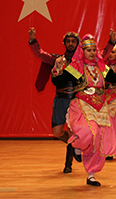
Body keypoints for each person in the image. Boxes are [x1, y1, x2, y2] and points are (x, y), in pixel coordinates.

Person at [53, 34, 116, 186]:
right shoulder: (77, 67)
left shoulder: (102, 67)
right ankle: (77, 147)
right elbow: (59, 81)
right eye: (88, 50)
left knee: (99, 138)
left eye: (94, 50)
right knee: (88, 132)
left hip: (100, 106)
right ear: (82, 51)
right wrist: (57, 67)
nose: (91, 53)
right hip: (82, 104)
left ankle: (91, 175)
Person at [28, 27, 81, 173]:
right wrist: (33, 39)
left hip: (75, 100)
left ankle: (68, 164)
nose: (71, 44)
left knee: (72, 132)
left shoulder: (81, 61)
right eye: (68, 41)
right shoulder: (57, 59)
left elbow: (100, 57)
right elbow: (40, 54)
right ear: (64, 43)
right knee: (57, 132)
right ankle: (75, 146)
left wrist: (111, 42)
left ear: (77, 44)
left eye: (73, 41)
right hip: (60, 100)